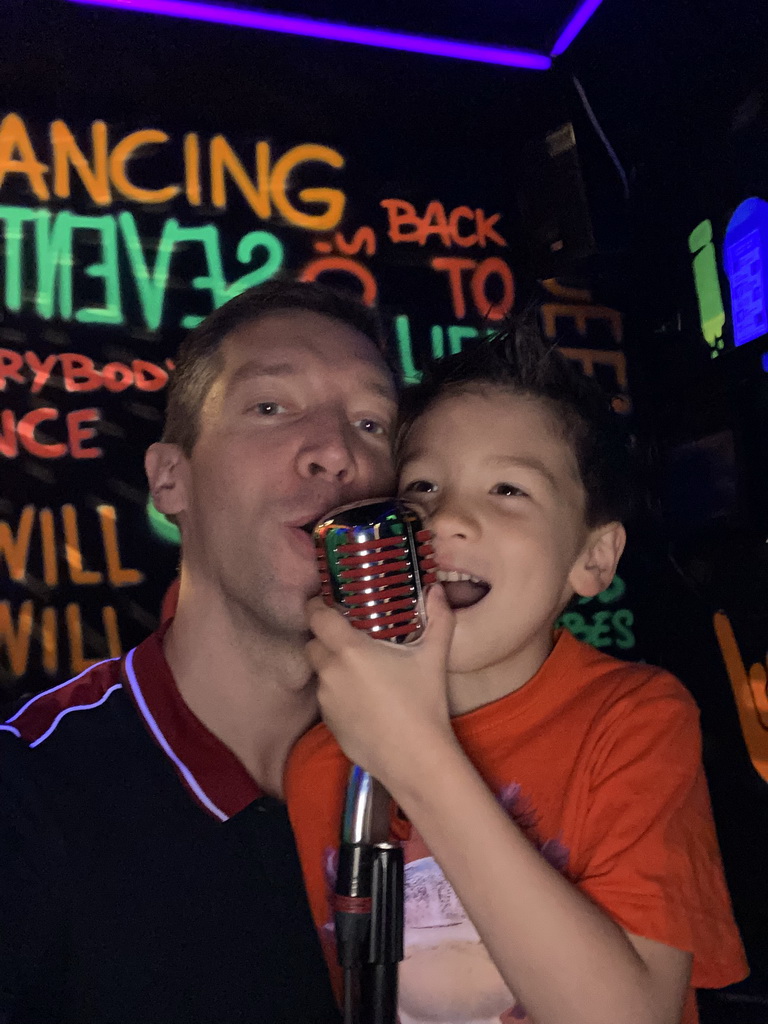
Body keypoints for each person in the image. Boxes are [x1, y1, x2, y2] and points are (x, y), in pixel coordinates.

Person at [285, 322, 748, 1024]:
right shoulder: (319, 765)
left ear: (593, 558)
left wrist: (414, 754)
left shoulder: (635, 719)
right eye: (422, 487)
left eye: (507, 489)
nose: (447, 520)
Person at [0, 279, 398, 1023]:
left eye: (372, 422)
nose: (335, 453)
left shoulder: (457, 763)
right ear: (169, 480)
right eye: (271, 407)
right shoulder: (28, 794)